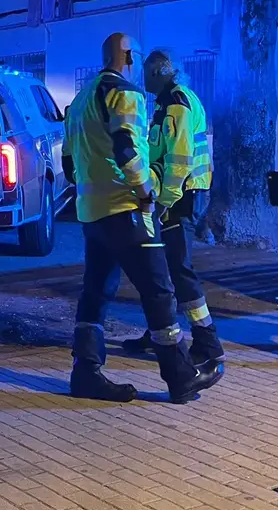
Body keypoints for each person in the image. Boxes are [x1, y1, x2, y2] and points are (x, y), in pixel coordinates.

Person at [63, 33, 223, 404]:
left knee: (95, 292)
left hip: (92, 214)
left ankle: (85, 372)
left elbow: (69, 163)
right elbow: (127, 150)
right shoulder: (125, 94)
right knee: (159, 291)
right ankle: (181, 376)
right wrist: (147, 192)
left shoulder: (81, 99)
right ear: (130, 57)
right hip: (127, 209)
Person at [121, 49, 225, 368]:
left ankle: (207, 341)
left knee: (178, 269)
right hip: (182, 193)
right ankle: (161, 330)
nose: (143, 80)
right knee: (164, 268)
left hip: (181, 196)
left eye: (147, 73)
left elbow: (179, 161)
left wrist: (164, 202)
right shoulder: (169, 102)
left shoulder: (177, 104)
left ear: (160, 72)